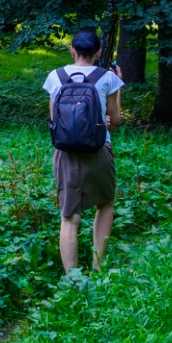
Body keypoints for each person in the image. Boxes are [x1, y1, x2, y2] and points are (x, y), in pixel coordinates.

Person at [43, 28, 123, 274]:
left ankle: (72, 279)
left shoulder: (55, 76)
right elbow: (115, 120)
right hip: (98, 150)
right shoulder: (107, 78)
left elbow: (54, 117)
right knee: (106, 203)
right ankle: (98, 268)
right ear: (98, 53)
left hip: (65, 153)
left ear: (72, 50)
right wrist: (118, 88)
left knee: (68, 216)